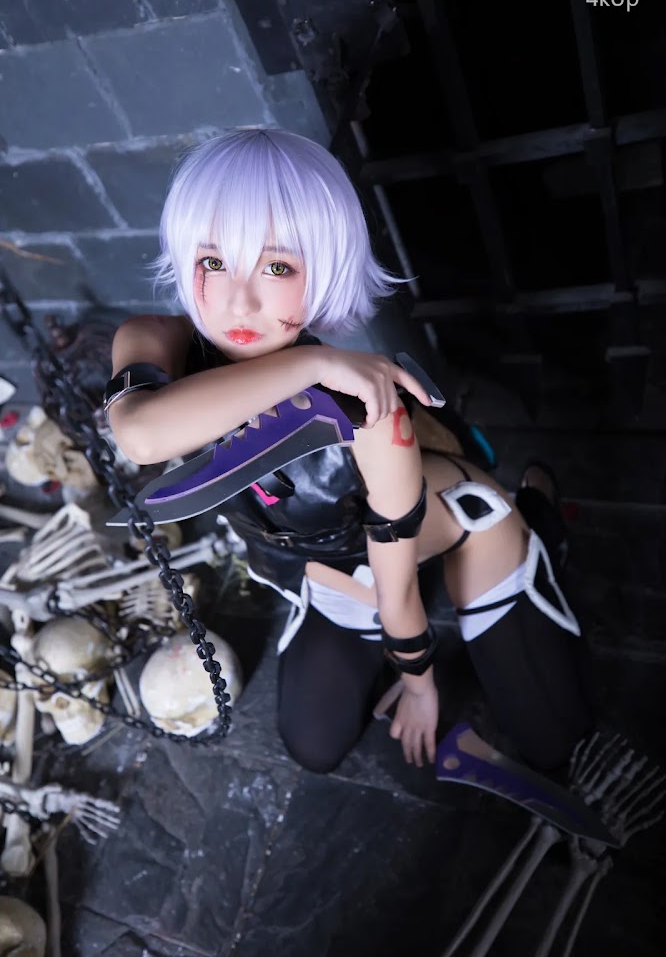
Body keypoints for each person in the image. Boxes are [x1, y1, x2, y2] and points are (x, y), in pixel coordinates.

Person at [106, 128, 593, 776]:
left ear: (324, 267)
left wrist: (419, 684)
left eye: (277, 267)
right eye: (214, 262)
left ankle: (535, 517)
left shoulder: (365, 409)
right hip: (326, 560)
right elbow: (140, 434)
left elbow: (395, 589)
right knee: (313, 745)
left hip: (450, 525)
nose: (238, 301)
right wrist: (312, 363)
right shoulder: (153, 339)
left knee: (553, 739)